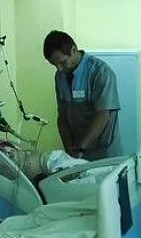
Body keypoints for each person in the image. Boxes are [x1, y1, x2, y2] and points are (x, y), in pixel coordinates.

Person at [42, 30, 121, 160]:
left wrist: (81, 147)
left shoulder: (100, 72)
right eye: (55, 65)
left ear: (73, 50)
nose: (59, 69)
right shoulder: (60, 76)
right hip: (78, 151)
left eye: (62, 62)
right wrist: (69, 151)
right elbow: (62, 117)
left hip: (104, 151)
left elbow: (103, 116)